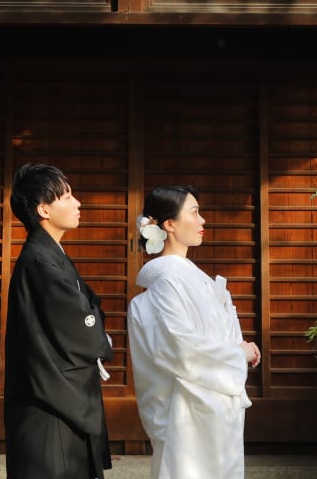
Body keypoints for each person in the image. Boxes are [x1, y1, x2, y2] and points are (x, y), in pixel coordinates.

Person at [127, 185, 260, 479]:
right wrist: (238, 353)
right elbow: (181, 349)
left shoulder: (189, 277)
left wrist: (238, 344)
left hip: (213, 409)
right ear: (169, 224)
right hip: (186, 418)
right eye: (195, 212)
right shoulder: (166, 282)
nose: (203, 221)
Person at [4, 163, 113, 479]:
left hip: (58, 399)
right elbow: (81, 322)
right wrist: (98, 332)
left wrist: (93, 317)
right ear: (43, 210)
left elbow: (90, 308)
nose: (77, 203)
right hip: (50, 406)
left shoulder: (49, 256)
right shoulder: (39, 260)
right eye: (66, 197)